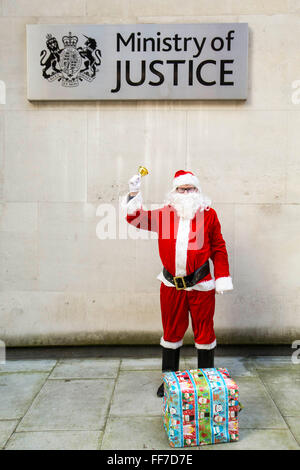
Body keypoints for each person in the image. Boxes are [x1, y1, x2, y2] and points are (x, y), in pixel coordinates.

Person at [122, 170, 233, 397]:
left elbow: (219, 248)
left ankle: (206, 381)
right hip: (171, 285)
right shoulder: (164, 215)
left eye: (190, 189)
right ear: (175, 192)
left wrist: (222, 276)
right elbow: (135, 218)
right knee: (171, 332)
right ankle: (170, 381)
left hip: (201, 285)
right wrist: (134, 192)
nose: (186, 193)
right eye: (182, 189)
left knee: (204, 332)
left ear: (197, 191)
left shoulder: (209, 215)